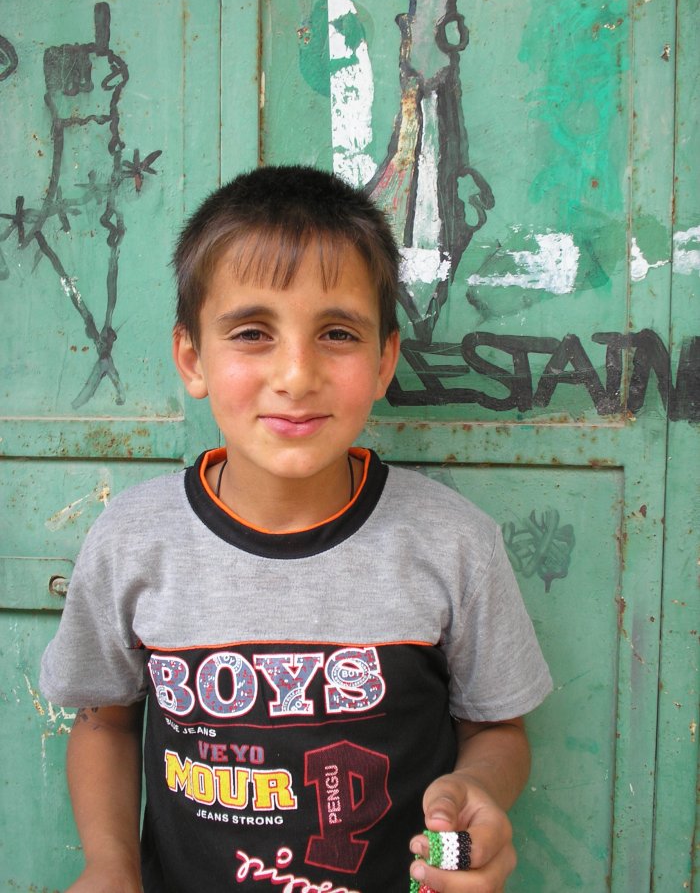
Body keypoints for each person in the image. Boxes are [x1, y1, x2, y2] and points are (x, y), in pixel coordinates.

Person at [40, 165, 552, 893]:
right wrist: (111, 864)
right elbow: (105, 721)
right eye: (252, 332)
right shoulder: (132, 540)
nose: (296, 373)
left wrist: (476, 792)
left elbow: (496, 728)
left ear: (384, 359)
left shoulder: (452, 542)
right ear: (192, 358)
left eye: (337, 333)